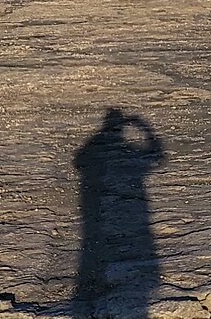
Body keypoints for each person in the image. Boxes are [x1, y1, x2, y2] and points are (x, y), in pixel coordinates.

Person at [72, 108, 164, 318]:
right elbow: (158, 155)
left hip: (99, 207)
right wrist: (144, 128)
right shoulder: (118, 148)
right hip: (124, 208)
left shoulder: (95, 145)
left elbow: (78, 162)